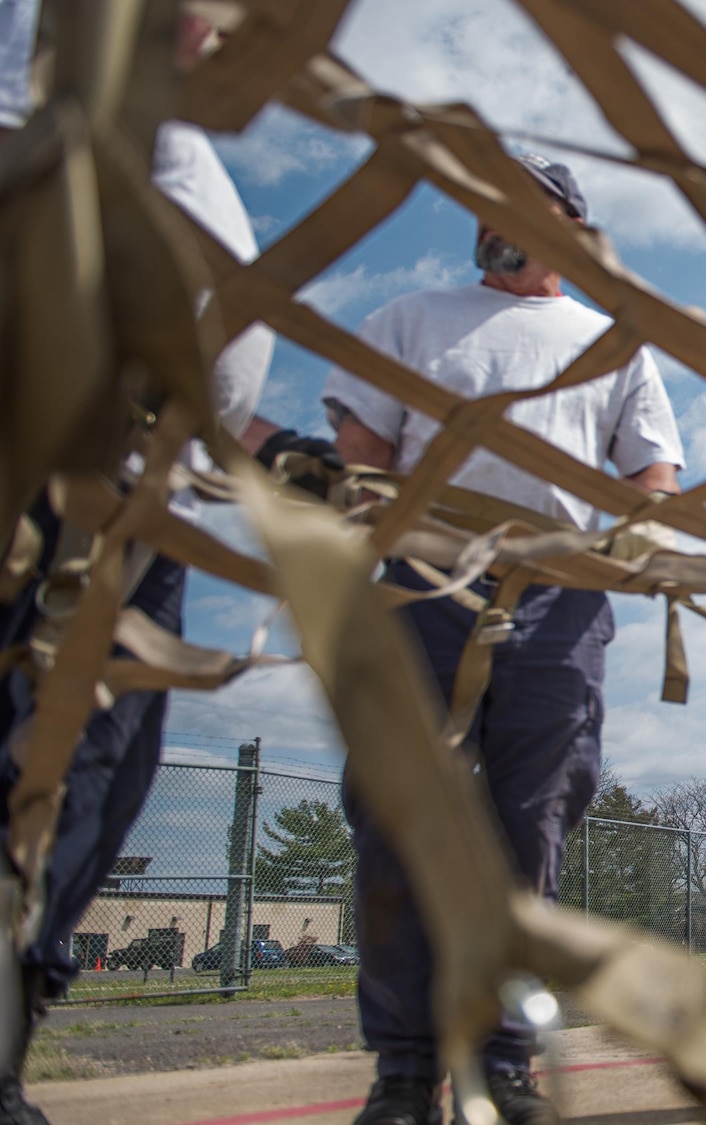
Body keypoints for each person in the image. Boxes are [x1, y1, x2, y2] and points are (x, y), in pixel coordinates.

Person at [0, 9, 334, 1125]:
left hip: (141, 507)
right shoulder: (40, 105)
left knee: (98, 779)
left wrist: (271, 444)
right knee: (30, 772)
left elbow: (177, 337)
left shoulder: (164, 143)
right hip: (47, 494)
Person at [322, 154, 684, 1125]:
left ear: (570, 226)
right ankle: (403, 1071)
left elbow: (653, 471)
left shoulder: (612, 344)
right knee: (397, 823)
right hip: (419, 591)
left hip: (557, 602)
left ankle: (505, 1060)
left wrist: (636, 532)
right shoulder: (404, 321)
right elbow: (358, 460)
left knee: (532, 826)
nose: (496, 217)